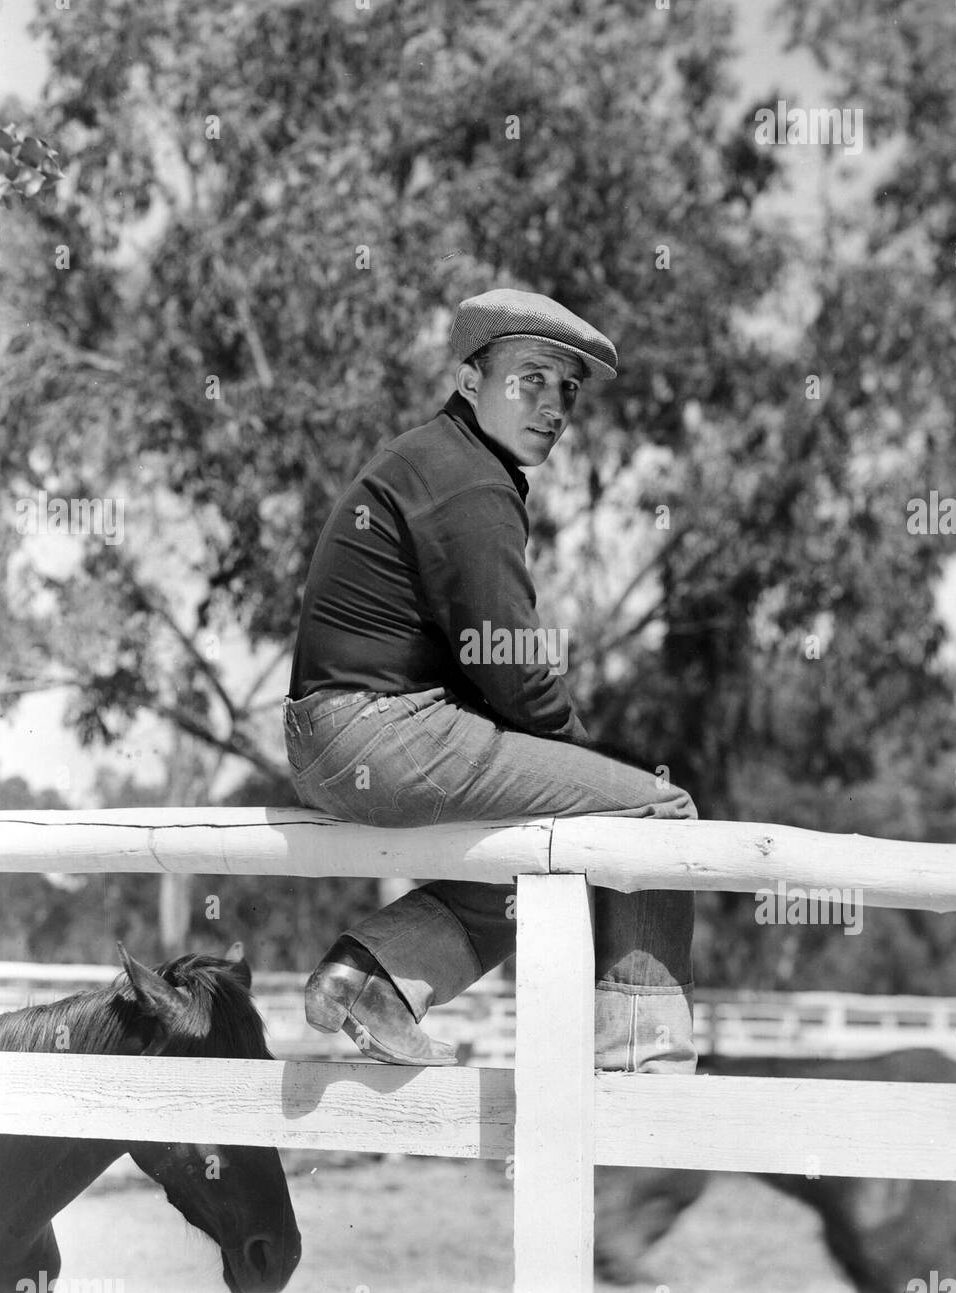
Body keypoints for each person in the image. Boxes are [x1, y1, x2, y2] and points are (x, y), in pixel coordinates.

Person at [283, 288, 697, 1072]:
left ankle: (377, 974)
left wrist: (571, 778)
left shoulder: (442, 458)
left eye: (567, 390)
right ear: (472, 380)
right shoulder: (471, 480)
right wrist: (585, 767)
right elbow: (510, 667)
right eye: (531, 378)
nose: (553, 406)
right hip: (381, 731)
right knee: (655, 814)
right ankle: (647, 1065)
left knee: (533, 858)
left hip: (334, 737)